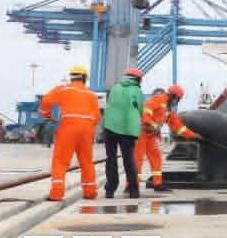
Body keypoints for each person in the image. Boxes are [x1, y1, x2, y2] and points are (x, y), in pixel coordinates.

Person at [39, 65, 101, 201]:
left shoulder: (63, 89)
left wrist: (47, 115)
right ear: (85, 78)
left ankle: (56, 193)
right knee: (86, 162)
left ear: (71, 77)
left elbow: (45, 101)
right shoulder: (91, 95)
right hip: (86, 130)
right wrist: (88, 126)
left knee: (60, 161)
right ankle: (90, 192)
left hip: (68, 128)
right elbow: (97, 116)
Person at [137, 84, 198, 191]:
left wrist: (194, 136)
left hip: (151, 135)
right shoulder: (158, 99)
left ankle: (157, 184)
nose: (177, 102)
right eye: (178, 99)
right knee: (137, 159)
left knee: (156, 158)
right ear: (174, 96)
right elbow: (147, 109)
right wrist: (148, 123)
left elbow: (178, 127)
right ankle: (132, 184)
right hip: (141, 133)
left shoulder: (168, 110)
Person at [103, 67, 144, 198]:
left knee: (111, 159)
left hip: (110, 127)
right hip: (127, 129)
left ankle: (110, 190)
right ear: (138, 79)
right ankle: (133, 190)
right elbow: (141, 109)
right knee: (128, 159)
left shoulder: (115, 88)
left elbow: (109, 104)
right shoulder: (136, 90)